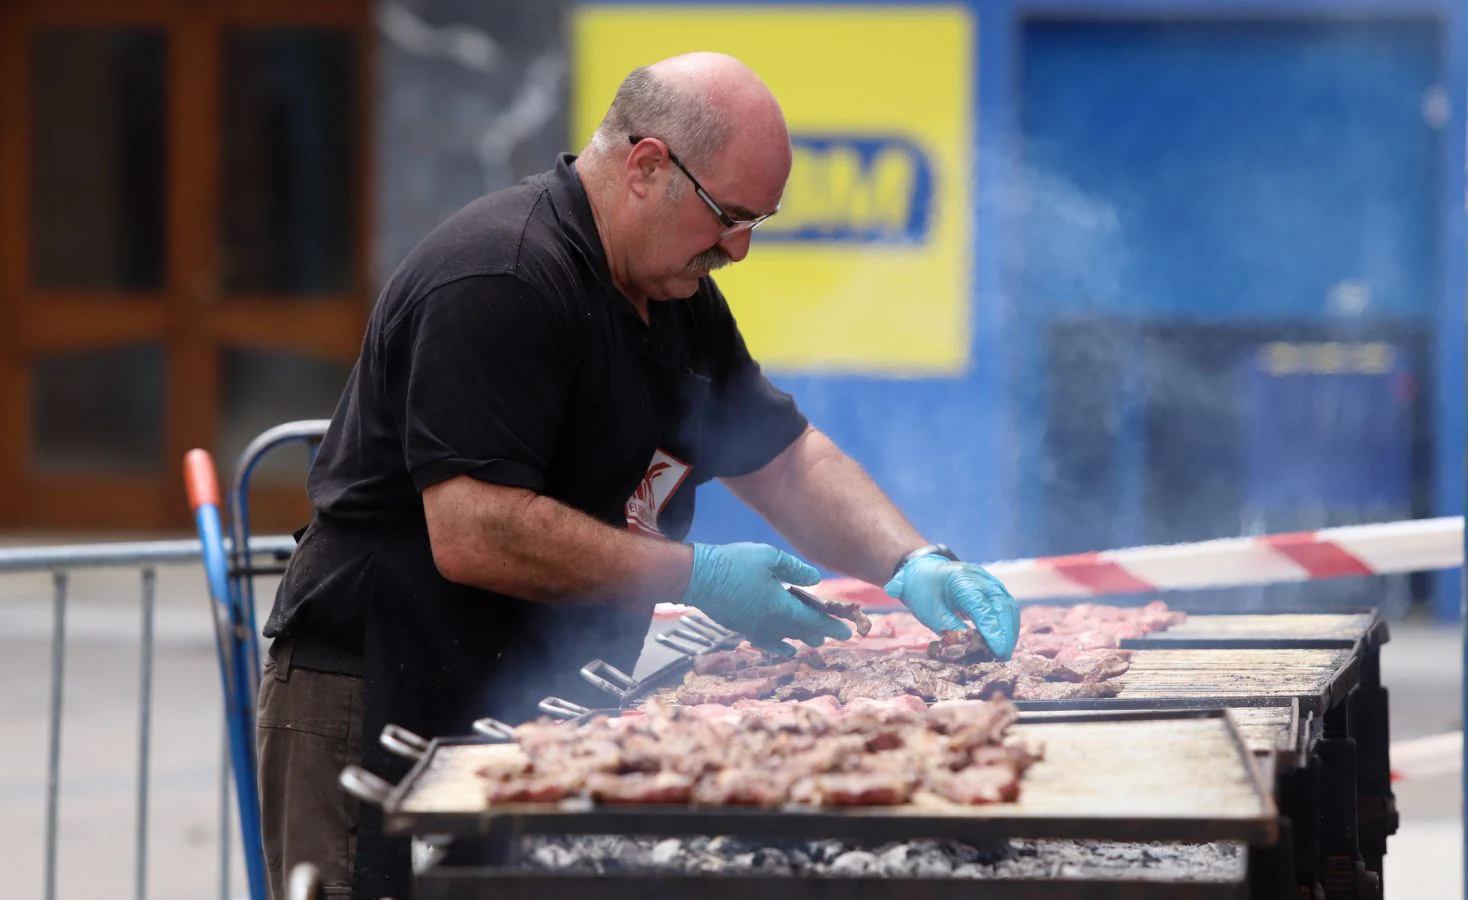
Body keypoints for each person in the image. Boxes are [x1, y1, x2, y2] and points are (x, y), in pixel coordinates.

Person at [255, 51, 1019, 900]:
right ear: (649, 166)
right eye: (730, 216)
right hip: (382, 690)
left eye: (757, 222)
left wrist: (912, 562)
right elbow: (474, 529)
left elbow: (785, 459)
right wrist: (699, 574)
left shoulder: (677, 299)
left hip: (532, 696)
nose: (740, 247)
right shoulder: (502, 274)